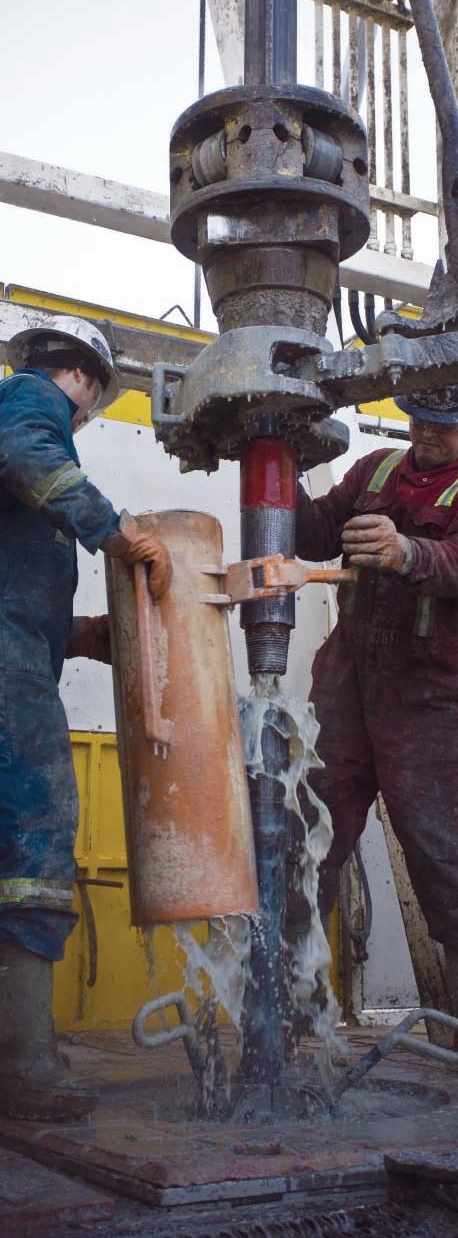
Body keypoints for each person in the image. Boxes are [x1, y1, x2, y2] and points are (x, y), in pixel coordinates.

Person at [293, 380, 458, 1084]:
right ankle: (285, 1022)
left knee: (445, 854)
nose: (427, 432)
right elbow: (314, 535)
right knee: (305, 843)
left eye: (442, 424)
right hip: (347, 685)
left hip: (429, 698)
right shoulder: (374, 471)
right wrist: (280, 465)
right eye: (420, 418)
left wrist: (406, 552)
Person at [0, 317, 172, 1121]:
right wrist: (116, 531)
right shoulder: (29, 401)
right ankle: (26, 1061)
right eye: (94, 399)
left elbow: (17, 600)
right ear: (83, 380)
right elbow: (28, 456)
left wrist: (82, 636)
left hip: (18, 652)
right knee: (38, 823)